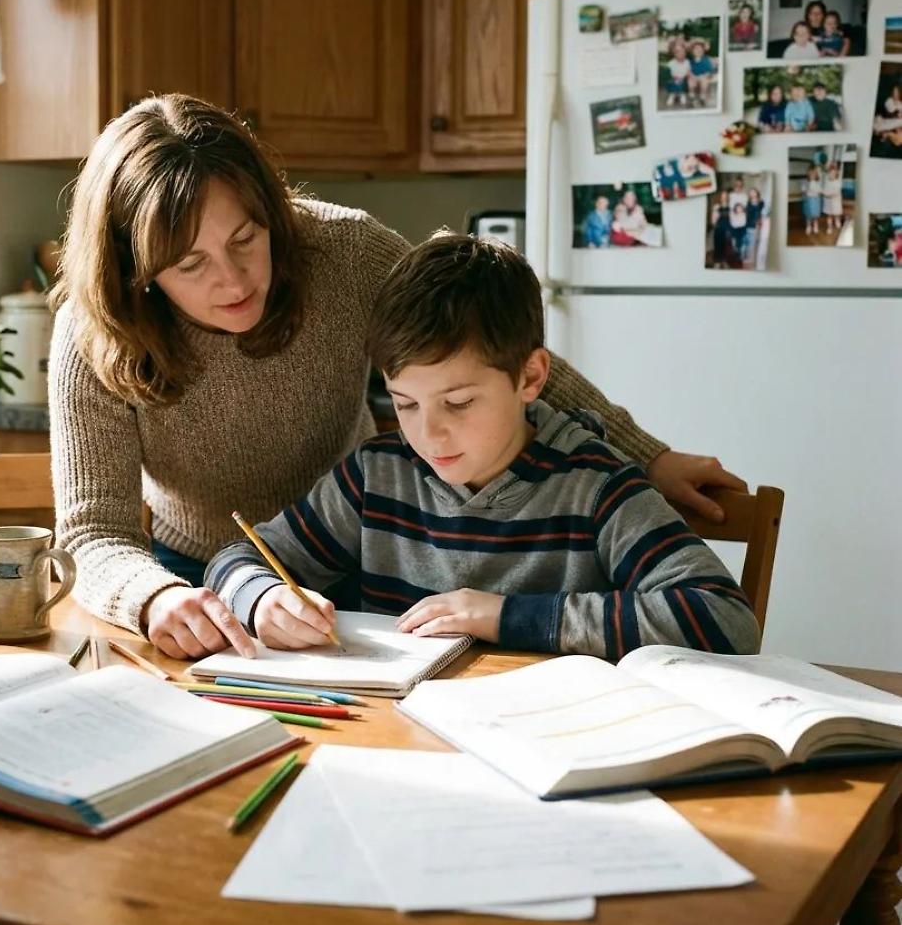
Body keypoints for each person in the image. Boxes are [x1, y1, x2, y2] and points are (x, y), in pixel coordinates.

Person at [48, 94, 746, 659]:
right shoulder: (96, 330)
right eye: (190, 265)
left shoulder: (345, 253)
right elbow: (95, 530)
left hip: (364, 561)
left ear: (272, 215)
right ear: (137, 272)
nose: (232, 280)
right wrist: (157, 597)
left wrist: (646, 453)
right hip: (202, 576)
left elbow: (479, 341)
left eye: (244, 239)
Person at [204, 233, 760, 658]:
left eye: (461, 402)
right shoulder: (377, 476)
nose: (429, 434)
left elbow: (724, 619)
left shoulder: (594, 485)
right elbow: (235, 558)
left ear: (531, 377)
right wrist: (260, 598)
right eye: (406, 404)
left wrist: (505, 616)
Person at [686, 38, 716, 106]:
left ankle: (702, 96)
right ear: (692, 51)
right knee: (690, 82)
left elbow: (709, 70)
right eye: (696, 49)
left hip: (703, 76)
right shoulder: (691, 61)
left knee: (704, 83)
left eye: (700, 49)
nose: (698, 50)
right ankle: (691, 96)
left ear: (703, 51)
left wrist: (705, 75)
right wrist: (691, 75)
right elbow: (688, 70)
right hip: (694, 76)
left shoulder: (705, 59)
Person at [664, 36, 691, 108]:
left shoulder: (687, 62)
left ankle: (682, 95)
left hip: (684, 78)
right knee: (674, 82)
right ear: (674, 54)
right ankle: (672, 95)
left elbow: (688, 71)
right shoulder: (671, 63)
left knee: (681, 83)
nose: (680, 54)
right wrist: (675, 77)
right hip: (674, 78)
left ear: (685, 53)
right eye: (678, 53)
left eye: (682, 52)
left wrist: (685, 77)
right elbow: (669, 73)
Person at [801, 164, 824, 237]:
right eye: (810, 174)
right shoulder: (805, 182)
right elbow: (803, 190)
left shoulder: (817, 183)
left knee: (815, 214)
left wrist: (819, 191)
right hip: (808, 200)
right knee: (808, 215)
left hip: (816, 200)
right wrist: (805, 190)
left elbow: (820, 190)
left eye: (814, 174)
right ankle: (808, 226)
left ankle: (815, 225)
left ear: (816, 174)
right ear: (808, 174)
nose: (812, 175)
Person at [822, 163, 844, 235]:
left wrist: (828, 194)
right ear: (828, 174)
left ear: (836, 174)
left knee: (836, 215)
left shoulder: (837, 183)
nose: (831, 175)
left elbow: (836, 192)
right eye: (830, 173)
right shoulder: (827, 182)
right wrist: (824, 192)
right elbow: (825, 190)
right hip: (828, 202)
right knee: (829, 216)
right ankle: (829, 227)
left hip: (835, 202)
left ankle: (838, 224)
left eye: (833, 174)